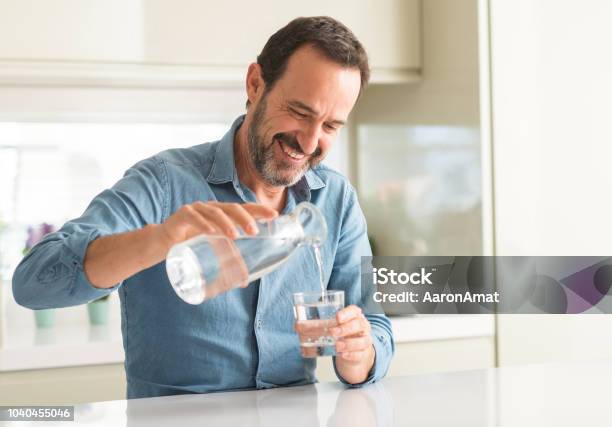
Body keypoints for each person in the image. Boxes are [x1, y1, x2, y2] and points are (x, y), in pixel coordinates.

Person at [12, 16, 394, 398]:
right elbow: (32, 283)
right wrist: (159, 239)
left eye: (330, 126)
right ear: (255, 84)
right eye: (301, 112)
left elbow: (374, 323)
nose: (310, 142)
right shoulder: (164, 184)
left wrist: (359, 355)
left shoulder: (336, 199)